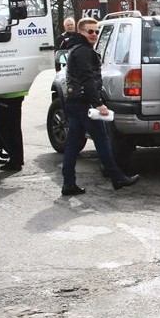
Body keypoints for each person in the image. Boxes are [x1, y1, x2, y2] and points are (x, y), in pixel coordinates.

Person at [61, 17, 140, 196]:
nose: (94, 34)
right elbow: (88, 79)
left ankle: (68, 183)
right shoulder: (83, 52)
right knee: (102, 140)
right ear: (81, 32)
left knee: (73, 144)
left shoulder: (77, 49)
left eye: (96, 31)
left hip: (75, 101)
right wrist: (98, 104)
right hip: (84, 103)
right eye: (90, 31)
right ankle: (117, 176)